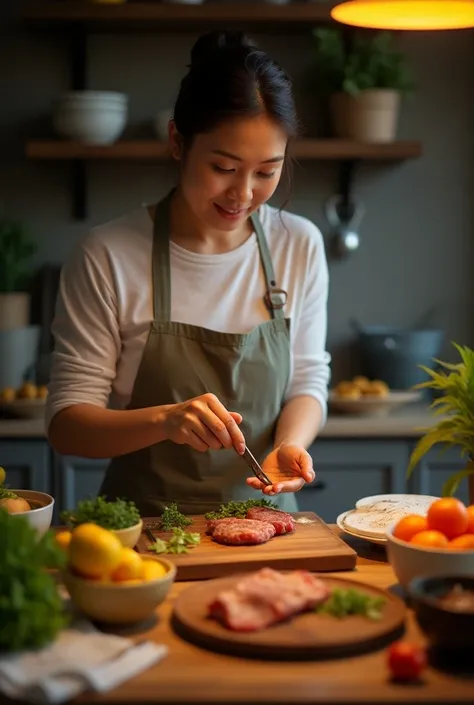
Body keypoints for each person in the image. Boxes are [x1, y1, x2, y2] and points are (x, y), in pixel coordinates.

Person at [46, 30, 331, 516]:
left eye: (266, 172)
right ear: (178, 141)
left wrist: (289, 443)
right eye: (224, 166)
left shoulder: (298, 244)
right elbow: (68, 426)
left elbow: (308, 379)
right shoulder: (107, 254)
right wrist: (164, 419)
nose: (242, 194)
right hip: (138, 538)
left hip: (264, 529)